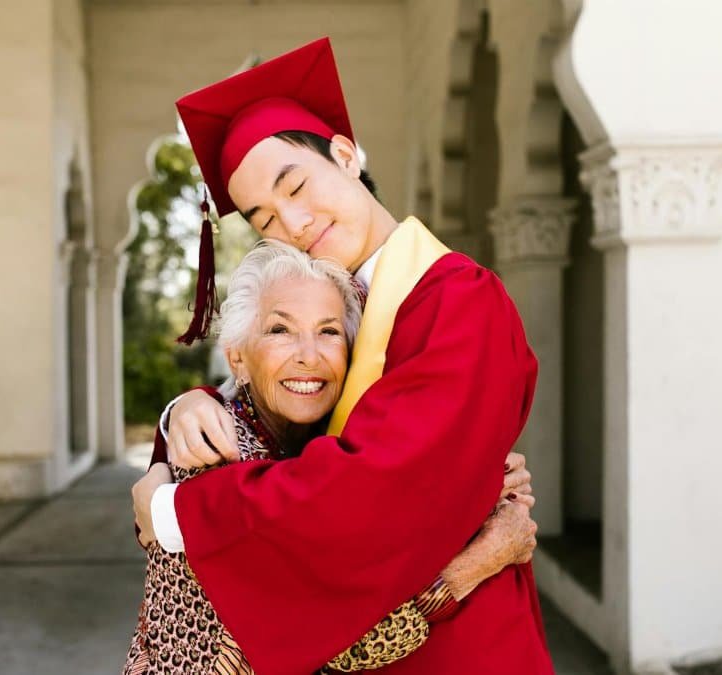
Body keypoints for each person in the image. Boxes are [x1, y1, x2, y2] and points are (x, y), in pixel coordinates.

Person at [134, 37, 553, 674]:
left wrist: (179, 514)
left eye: (296, 185)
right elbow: (267, 415)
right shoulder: (336, 305)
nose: (293, 222)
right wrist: (184, 413)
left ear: (346, 155)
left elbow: (376, 492)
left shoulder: (457, 300)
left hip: (457, 651)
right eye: (264, 218)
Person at [125, 241, 538, 674]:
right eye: (280, 330)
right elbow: (339, 642)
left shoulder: (327, 449)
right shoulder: (212, 450)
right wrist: (482, 560)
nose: (309, 355)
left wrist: (479, 480)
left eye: (329, 331)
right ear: (238, 359)